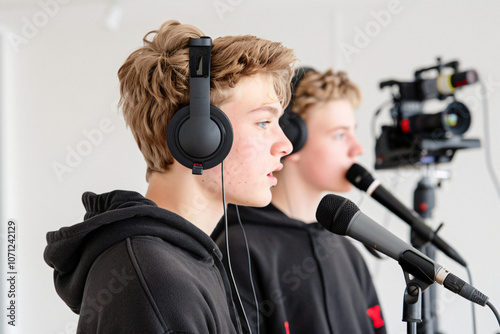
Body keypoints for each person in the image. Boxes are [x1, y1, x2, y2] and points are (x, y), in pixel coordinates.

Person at [44, 20, 295, 333]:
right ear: (200, 136)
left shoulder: (188, 263)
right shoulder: (156, 283)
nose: (285, 145)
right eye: (263, 123)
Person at [212, 67, 387, 333]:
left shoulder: (349, 254)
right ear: (292, 139)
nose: (357, 149)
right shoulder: (239, 249)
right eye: (339, 135)